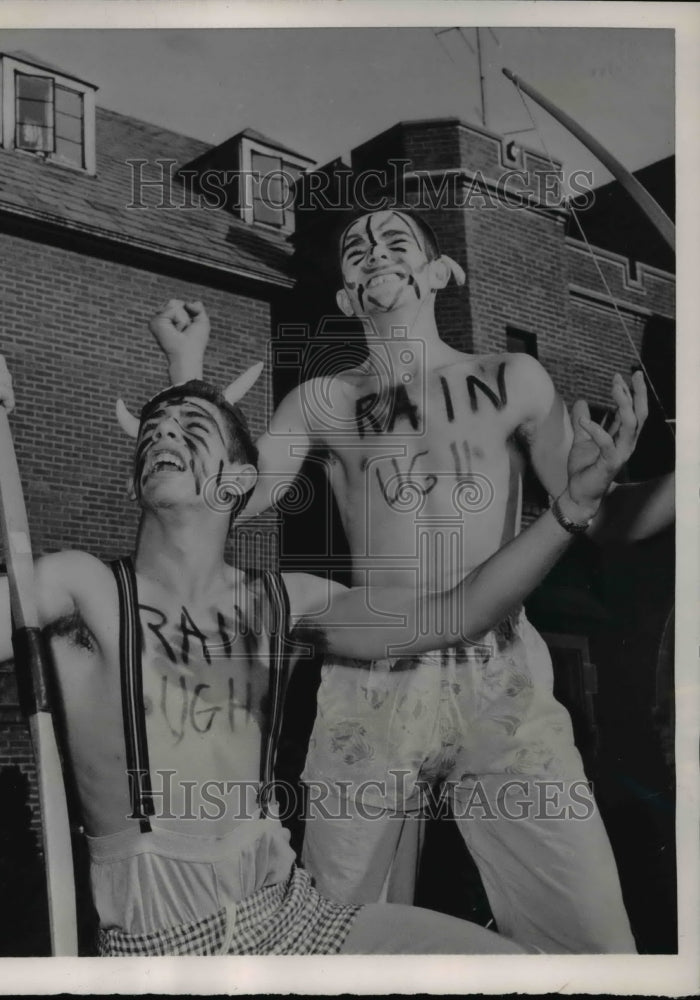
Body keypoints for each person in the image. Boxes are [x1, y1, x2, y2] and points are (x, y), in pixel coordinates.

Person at [0, 333, 644, 956]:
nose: (164, 438)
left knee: (512, 969)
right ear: (132, 487)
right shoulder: (85, 589)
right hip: (170, 946)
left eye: (193, 432)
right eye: (153, 435)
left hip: (291, 923)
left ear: (239, 482)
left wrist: (570, 510)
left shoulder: (281, 600)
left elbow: (455, 614)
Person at [147, 201, 672, 954]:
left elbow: (602, 518)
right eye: (355, 251)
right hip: (374, 678)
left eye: (396, 240)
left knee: (593, 938)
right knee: (336, 937)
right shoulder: (323, 400)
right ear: (343, 296)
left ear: (439, 272)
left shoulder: (512, 377)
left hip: (501, 681)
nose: (372, 251)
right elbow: (229, 498)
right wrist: (187, 369)